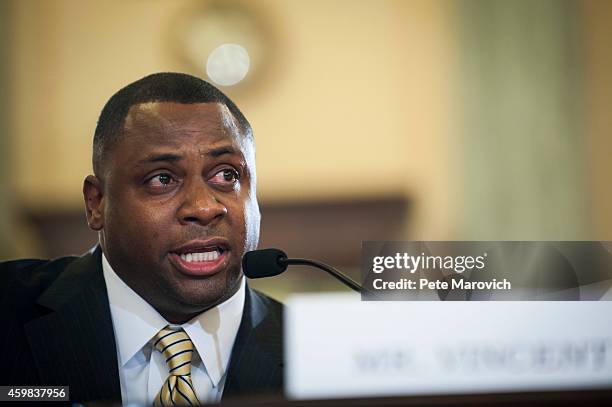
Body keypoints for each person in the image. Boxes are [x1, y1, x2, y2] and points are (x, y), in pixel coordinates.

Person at [0, 73, 283, 405]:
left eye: (226, 175)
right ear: (97, 203)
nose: (204, 208)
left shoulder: (317, 350)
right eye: (162, 178)